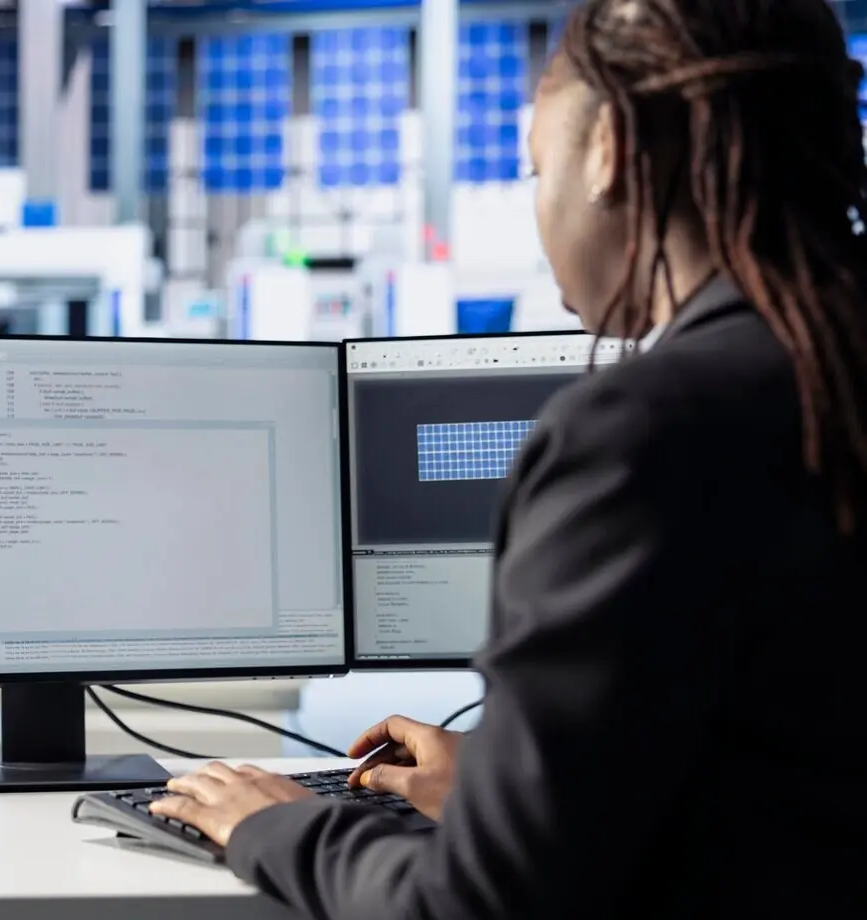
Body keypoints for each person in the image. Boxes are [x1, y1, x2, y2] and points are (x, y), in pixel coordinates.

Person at [149, 2, 867, 917]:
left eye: (536, 167)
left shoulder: (647, 432)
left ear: (609, 149)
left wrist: (277, 826)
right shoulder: (817, 375)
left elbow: (480, 904)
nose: (539, 207)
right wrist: (512, 786)